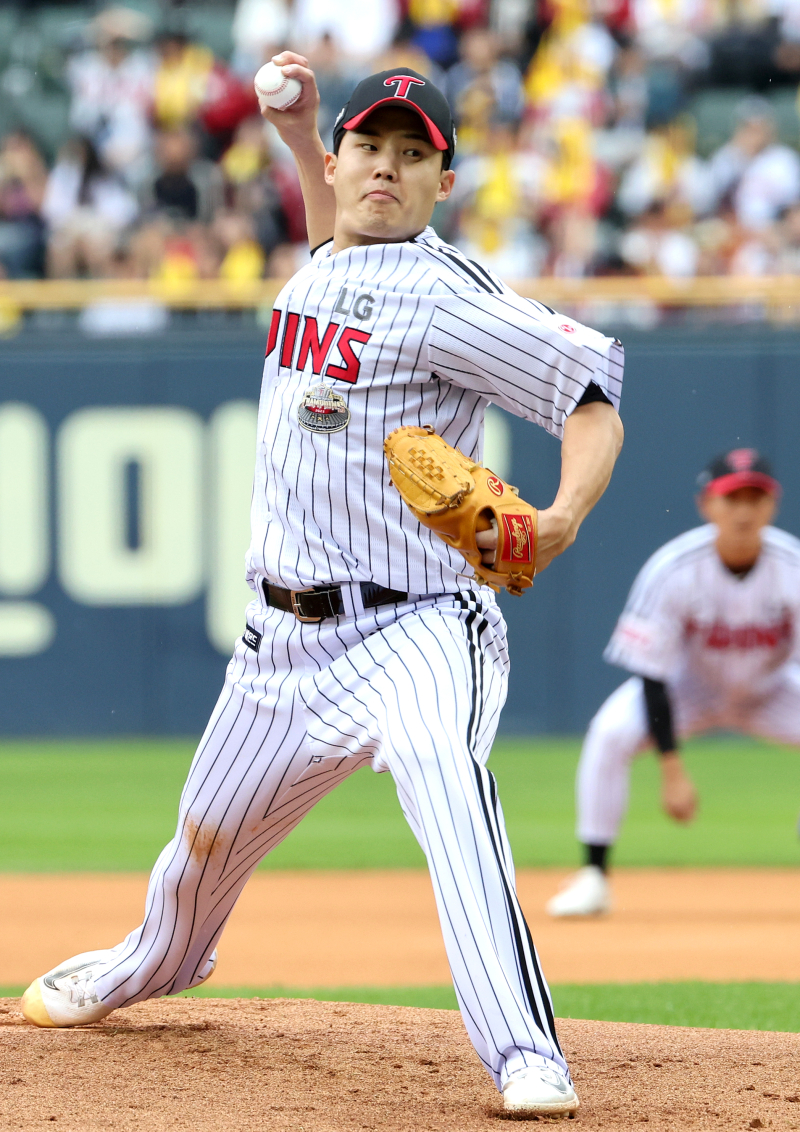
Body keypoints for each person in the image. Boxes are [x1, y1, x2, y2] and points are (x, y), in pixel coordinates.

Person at [21, 55, 624, 1119]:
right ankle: (152, 961)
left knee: (448, 789)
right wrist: (301, 134)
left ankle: (526, 1052)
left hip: (414, 628)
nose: (385, 167)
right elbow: (335, 243)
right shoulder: (321, 263)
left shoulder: (448, 297)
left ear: (444, 181)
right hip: (279, 644)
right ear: (341, 164)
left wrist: (564, 516)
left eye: (412, 155)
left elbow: (590, 394)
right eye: (367, 146)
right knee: (199, 847)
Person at [548, 449, 800, 918]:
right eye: (732, 498)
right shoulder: (674, 568)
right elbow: (651, 672)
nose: (744, 511)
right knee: (609, 734)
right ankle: (594, 877)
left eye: (756, 498)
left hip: (771, 690)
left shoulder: (793, 567)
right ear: (707, 504)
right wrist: (672, 768)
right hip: (690, 690)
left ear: (773, 504)